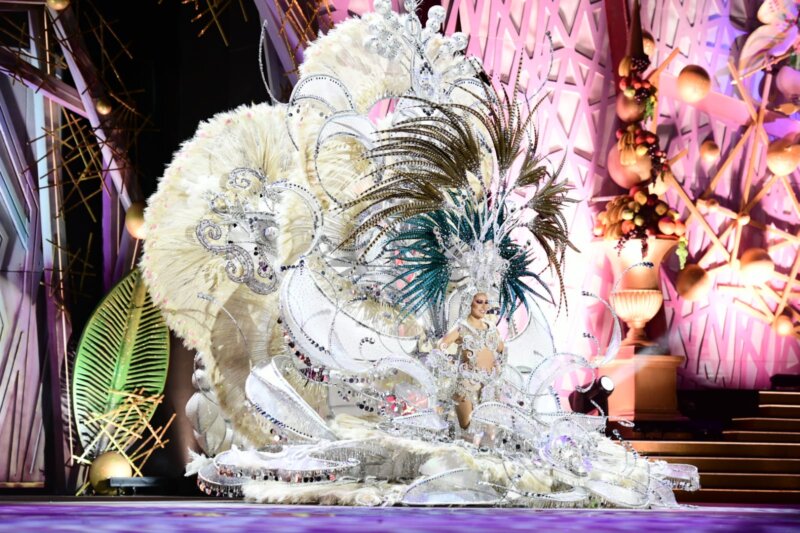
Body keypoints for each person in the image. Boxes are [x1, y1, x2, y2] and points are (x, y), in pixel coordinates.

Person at [438, 292, 507, 432]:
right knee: (467, 427)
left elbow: (502, 350)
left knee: (489, 429)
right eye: (479, 302)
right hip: (467, 384)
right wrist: (450, 365)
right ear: (469, 303)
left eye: (486, 302)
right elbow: (440, 346)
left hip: (489, 385)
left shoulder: (491, 328)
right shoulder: (462, 327)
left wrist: (499, 368)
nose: (484, 306)